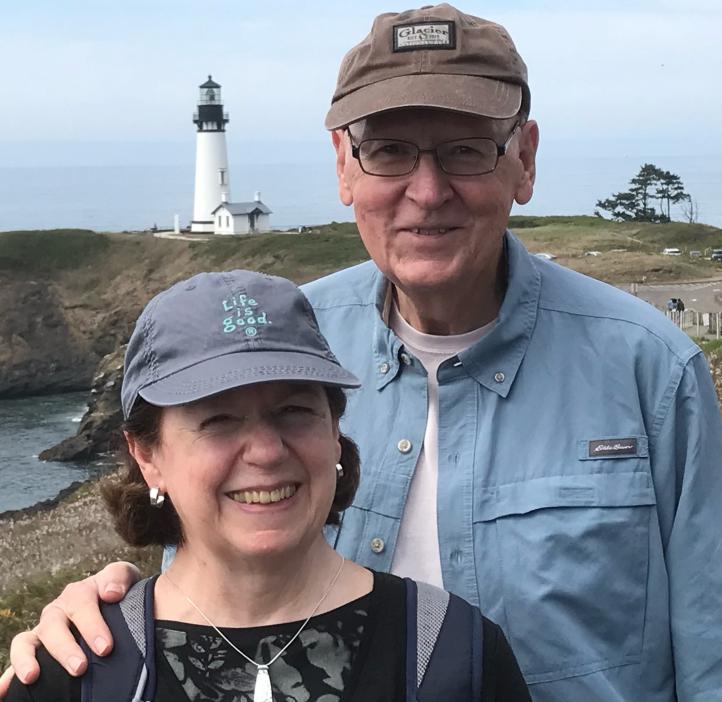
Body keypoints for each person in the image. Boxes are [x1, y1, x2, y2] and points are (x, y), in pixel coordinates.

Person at [5, 4, 722, 701]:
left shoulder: (652, 369)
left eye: (467, 150)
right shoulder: (279, 345)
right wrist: (115, 620)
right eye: (388, 151)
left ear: (524, 160)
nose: (428, 190)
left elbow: (711, 650)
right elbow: (207, 578)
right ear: (344, 166)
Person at [4, 270, 530, 702]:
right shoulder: (74, 673)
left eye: (294, 411)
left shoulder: (454, 655)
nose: (267, 451)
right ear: (147, 456)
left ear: (333, 430)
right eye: (219, 420)